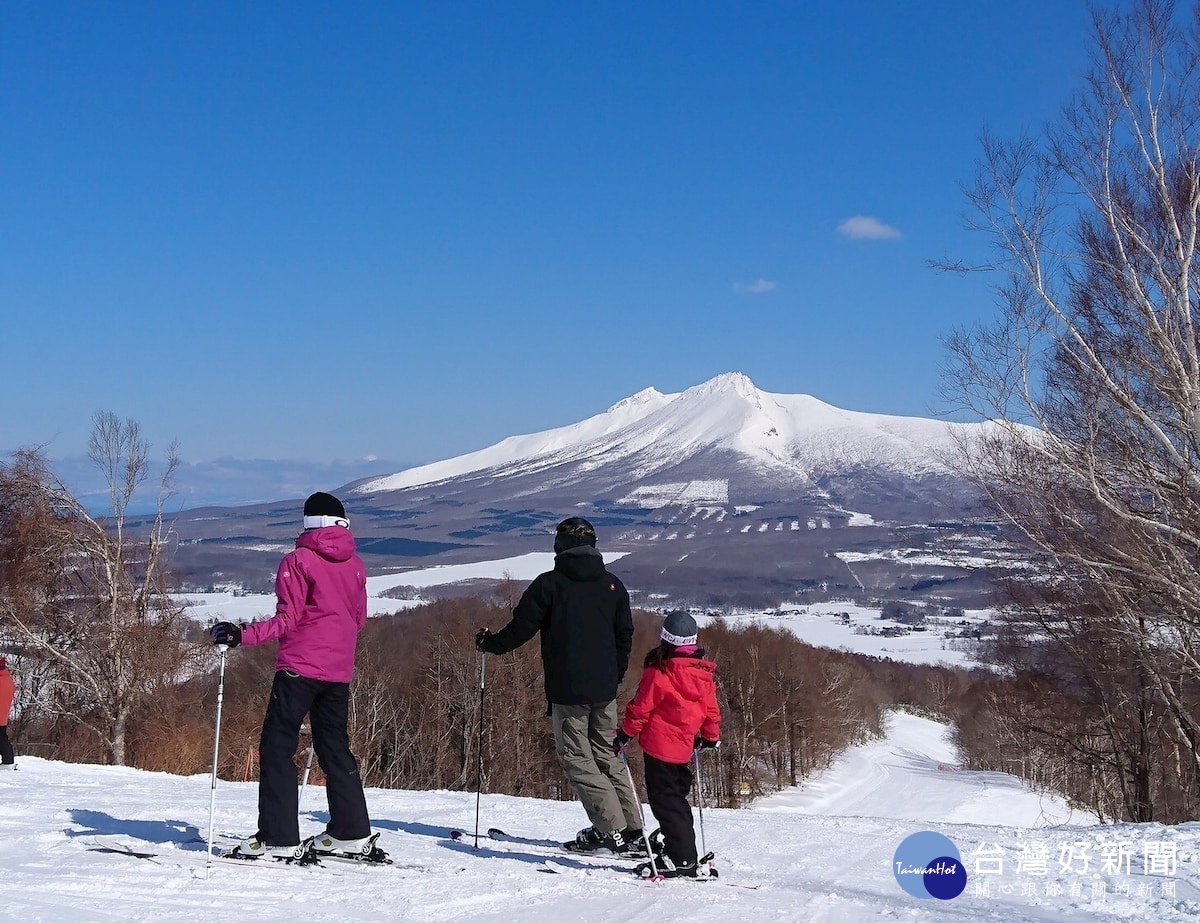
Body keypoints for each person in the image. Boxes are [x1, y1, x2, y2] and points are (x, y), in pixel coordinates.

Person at [210, 491, 377, 861]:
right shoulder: (356, 565)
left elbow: (288, 620)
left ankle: (278, 836)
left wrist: (241, 635)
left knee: (277, 747)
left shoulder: (298, 560)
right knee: (334, 747)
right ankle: (350, 830)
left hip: (299, 667)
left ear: (309, 522)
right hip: (338, 671)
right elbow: (358, 619)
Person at [475, 516, 644, 854]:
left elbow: (520, 628)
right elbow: (624, 636)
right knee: (607, 756)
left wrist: (489, 644)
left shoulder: (549, 584)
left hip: (569, 690)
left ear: (560, 547)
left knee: (577, 759)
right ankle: (633, 829)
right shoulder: (612, 585)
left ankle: (610, 830)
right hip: (604, 689)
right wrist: (615, 676)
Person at [614, 611, 721, 878]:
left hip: (659, 748)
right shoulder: (702, 674)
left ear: (666, 638)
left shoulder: (661, 671)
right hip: (683, 748)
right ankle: (680, 850)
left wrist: (625, 734)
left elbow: (641, 708)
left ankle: (681, 858)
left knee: (666, 804)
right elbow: (711, 710)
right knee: (676, 801)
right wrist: (710, 737)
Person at [0, 657, 15, 768]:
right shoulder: (8, 680)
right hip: (3, 714)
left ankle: (8, 761)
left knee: (1, 738)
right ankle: (8, 760)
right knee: (2, 736)